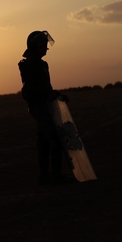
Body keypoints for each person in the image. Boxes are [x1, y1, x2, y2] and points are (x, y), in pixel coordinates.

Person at [18, 31, 72, 185]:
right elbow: (33, 89)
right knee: (55, 138)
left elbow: (46, 87)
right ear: (36, 46)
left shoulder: (41, 64)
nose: (46, 48)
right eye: (43, 45)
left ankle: (45, 177)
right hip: (38, 106)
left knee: (43, 140)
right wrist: (48, 96)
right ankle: (55, 176)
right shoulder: (28, 65)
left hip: (45, 105)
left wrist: (56, 95)